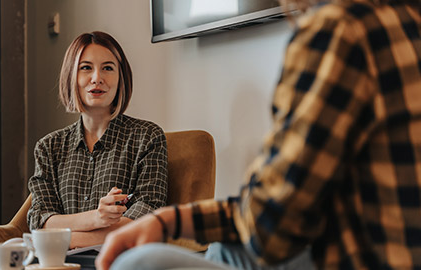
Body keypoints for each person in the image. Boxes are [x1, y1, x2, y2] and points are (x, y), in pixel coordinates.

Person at [95, 0, 421, 268]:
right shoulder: (405, 21)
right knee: (225, 251)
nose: (97, 78)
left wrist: (166, 220)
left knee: (138, 264)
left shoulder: (340, 29)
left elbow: (272, 229)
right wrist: (170, 220)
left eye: (107, 67)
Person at [27, 31, 168, 249]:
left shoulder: (147, 137)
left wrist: (67, 240)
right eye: (86, 68)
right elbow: (42, 220)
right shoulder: (48, 147)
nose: (96, 78)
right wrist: (96, 218)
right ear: (71, 76)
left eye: (108, 68)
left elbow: (146, 217)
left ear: (122, 77)